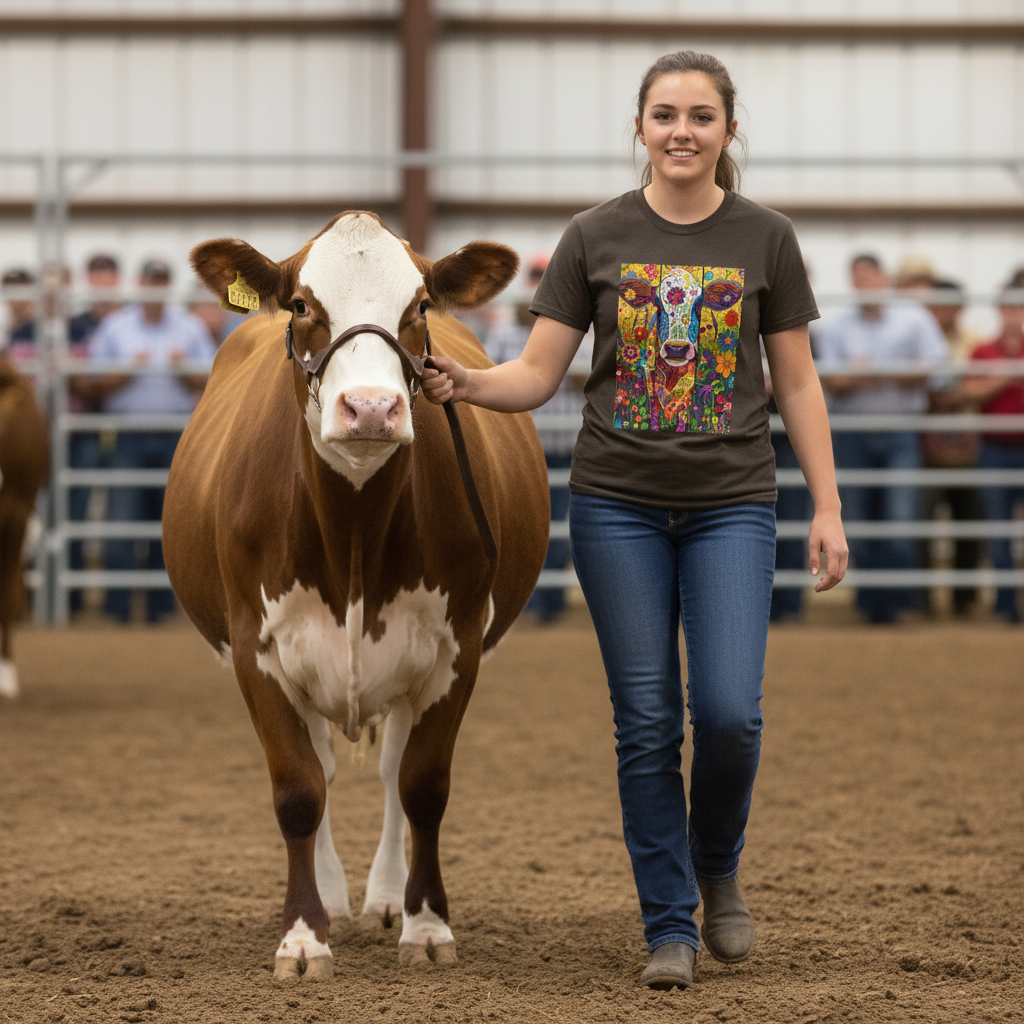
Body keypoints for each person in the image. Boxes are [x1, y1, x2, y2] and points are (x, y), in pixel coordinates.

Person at [421, 50, 847, 989]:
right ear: (641, 128)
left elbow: (798, 381)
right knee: (647, 721)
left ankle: (717, 867)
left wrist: (826, 504)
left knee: (730, 714)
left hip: (733, 503)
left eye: (701, 116)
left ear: (729, 130)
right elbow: (535, 375)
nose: (682, 131)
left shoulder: (767, 236)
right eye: (665, 115)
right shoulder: (594, 235)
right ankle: (669, 925)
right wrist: (463, 383)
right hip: (616, 506)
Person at [816, 254, 950, 624]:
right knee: (857, 519)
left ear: (884, 279)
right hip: (854, 432)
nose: (865, 286)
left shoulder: (913, 318)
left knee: (900, 517)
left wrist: (867, 373)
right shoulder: (839, 325)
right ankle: (872, 603)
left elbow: (934, 369)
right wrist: (893, 372)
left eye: (870, 278)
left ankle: (899, 601)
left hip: (899, 428)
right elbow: (834, 382)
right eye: (858, 279)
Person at [88, 259, 217, 623]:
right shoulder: (115, 327)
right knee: (122, 520)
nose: (156, 288)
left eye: (162, 281)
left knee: (171, 523)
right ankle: (118, 608)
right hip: (127, 432)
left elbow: (211, 382)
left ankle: (162, 607)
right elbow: (92, 384)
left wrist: (183, 373)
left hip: (177, 433)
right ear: (141, 283)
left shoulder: (189, 327)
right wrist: (126, 374)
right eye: (152, 280)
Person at [486, 255, 593, 623]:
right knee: (521, 527)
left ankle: (551, 605)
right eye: (536, 277)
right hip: (521, 449)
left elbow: (585, 377)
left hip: (563, 447)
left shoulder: (579, 326)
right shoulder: (505, 333)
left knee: (558, 530)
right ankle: (526, 604)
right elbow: (491, 375)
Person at [952, 269, 1024, 623]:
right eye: (1010, 309)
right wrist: (1003, 377)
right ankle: (1006, 605)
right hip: (993, 448)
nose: (1015, 316)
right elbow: (968, 392)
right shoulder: (983, 350)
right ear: (1000, 312)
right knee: (997, 530)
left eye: (1020, 309)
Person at [915, 278, 984, 617]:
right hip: (927, 446)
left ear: (960, 307)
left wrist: (952, 395)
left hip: (969, 446)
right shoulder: (919, 337)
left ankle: (965, 599)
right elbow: (947, 392)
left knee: (970, 524)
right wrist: (969, 391)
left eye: (947, 304)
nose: (940, 311)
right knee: (922, 525)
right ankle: (922, 600)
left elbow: (943, 392)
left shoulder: (974, 342)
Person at [63, 254, 123, 614]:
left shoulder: (130, 318)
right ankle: (70, 600)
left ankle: (126, 600)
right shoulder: (76, 325)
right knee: (75, 510)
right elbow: (80, 380)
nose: (102, 284)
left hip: (117, 424)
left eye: (108, 277)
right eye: (97, 278)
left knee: (125, 510)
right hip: (84, 427)